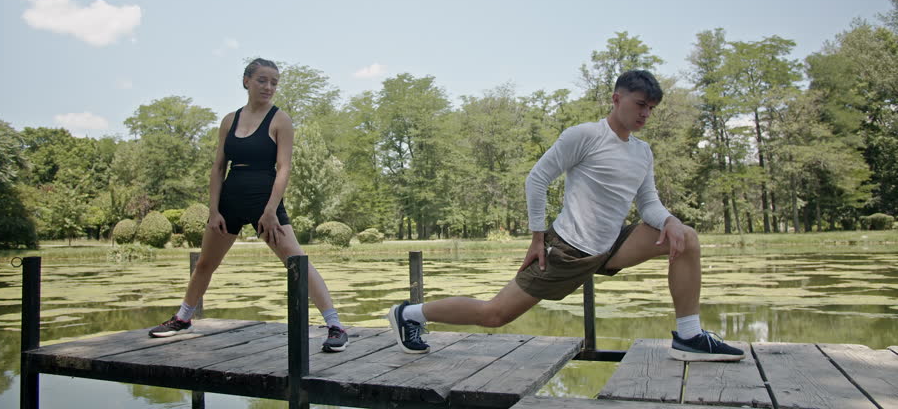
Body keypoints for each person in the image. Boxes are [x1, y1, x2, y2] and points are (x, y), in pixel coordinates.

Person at [387, 70, 744, 362]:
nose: (645, 114)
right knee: (495, 314)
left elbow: (648, 203)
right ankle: (410, 314)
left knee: (687, 237)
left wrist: (670, 221)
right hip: (569, 248)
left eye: (651, 108)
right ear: (616, 99)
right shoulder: (585, 136)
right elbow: (537, 179)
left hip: (613, 244)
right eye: (640, 104)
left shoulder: (642, 152)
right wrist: (538, 236)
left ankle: (689, 335)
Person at [148, 58, 349, 353]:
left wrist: (269, 211)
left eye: (274, 83)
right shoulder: (229, 120)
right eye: (262, 80)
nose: (269, 87)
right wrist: (213, 210)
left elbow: (283, 168)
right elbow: (218, 168)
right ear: (246, 81)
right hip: (229, 200)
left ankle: (335, 326)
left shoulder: (281, 120)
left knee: (297, 262)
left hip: (264, 201)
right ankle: (183, 318)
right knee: (205, 264)